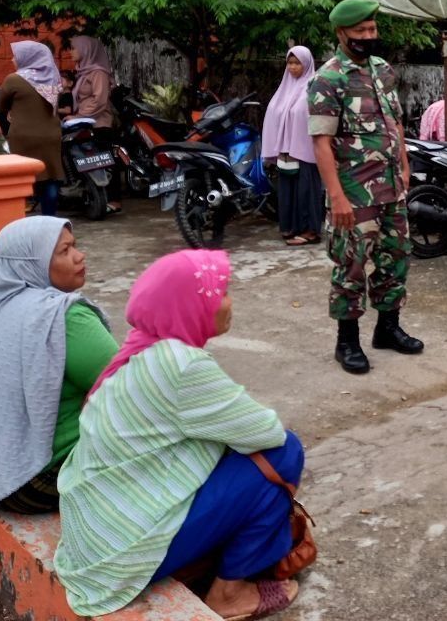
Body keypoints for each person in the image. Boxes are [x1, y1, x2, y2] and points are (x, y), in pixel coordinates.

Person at [54, 250, 303, 620]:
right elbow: (265, 431)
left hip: (94, 544)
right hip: (121, 557)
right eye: (221, 293)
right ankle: (229, 592)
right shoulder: (181, 365)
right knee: (285, 453)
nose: (230, 303)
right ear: (191, 305)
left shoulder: (141, 347)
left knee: (228, 450)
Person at [0, 217, 117, 513]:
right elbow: (136, 386)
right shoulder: (63, 316)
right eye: (64, 251)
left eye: (74, 246)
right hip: (49, 478)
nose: (80, 256)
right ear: (31, 264)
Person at [309, 0, 422, 375]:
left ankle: (387, 329)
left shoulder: (383, 70)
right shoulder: (328, 78)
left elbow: (396, 123)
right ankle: (347, 342)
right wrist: (337, 197)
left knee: (396, 256)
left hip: (392, 187)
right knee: (351, 265)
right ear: (342, 34)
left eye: (372, 30)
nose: (368, 37)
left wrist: (405, 166)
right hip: (354, 193)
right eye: (360, 32)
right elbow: (321, 142)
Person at [262, 46, 325, 246]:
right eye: (290, 63)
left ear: (306, 64)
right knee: (288, 192)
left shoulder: (314, 86)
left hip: (306, 150)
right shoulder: (284, 88)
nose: (293, 67)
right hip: (286, 151)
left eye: (297, 63)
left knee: (307, 191)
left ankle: (310, 231)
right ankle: (290, 227)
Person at [0, 41, 65, 216]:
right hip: (51, 135)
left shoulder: (13, 79)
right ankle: (50, 218)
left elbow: (1, 104)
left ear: (28, 58)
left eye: (16, 55)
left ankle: (19, 218)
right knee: (49, 175)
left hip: (23, 136)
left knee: (20, 176)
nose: (13, 59)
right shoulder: (54, 78)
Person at [71, 35, 121, 213]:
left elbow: (99, 100)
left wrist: (78, 116)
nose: (71, 52)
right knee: (89, 160)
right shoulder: (83, 72)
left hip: (100, 123)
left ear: (86, 50)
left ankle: (114, 200)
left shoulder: (98, 72)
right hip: (85, 123)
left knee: (105, 160)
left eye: (74, 48)